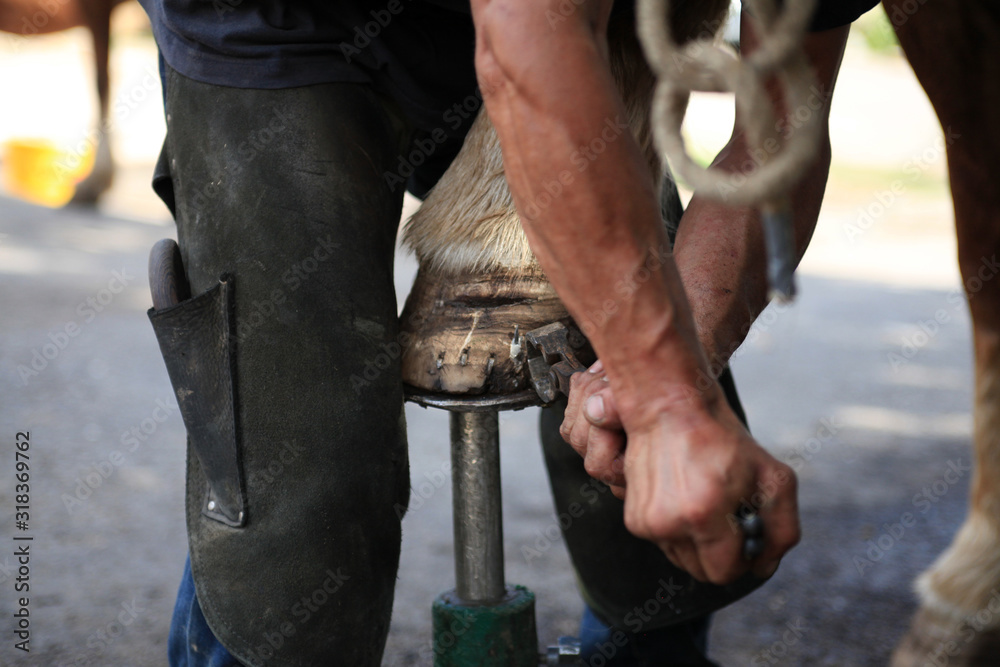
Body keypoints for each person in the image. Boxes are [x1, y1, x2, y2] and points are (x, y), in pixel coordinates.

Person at [138, 1, 877, 665]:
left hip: (585, 32)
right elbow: (526, 47)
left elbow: (781, 125)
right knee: (297, 478)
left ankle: (650, 644)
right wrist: (664, 397)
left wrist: (676, 378)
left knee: (646, 399)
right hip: (276, 23)